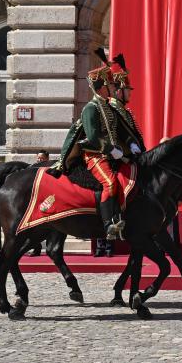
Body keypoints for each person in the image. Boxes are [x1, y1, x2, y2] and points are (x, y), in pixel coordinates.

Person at [55, 49, 143, 240]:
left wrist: (130, 144)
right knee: (109, 182)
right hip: (95, 155)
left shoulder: (107, 108)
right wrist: (111, 149)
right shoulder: (90, 108)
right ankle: (108, 225)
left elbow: (120, 130)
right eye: (110, 84)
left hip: (113, 154)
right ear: (103, 87)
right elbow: (93, 137)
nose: (113, 87)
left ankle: (122, 217)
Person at [29, 151, 52, 256]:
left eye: (41, 158)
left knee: (51, 225)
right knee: (34, 225)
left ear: (47, 159)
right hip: (36, 200)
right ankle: (36, 247)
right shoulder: (32, 168)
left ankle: (50, 248)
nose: (39, 160)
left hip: (49, 200)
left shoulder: (51, 169)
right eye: (38, 158)